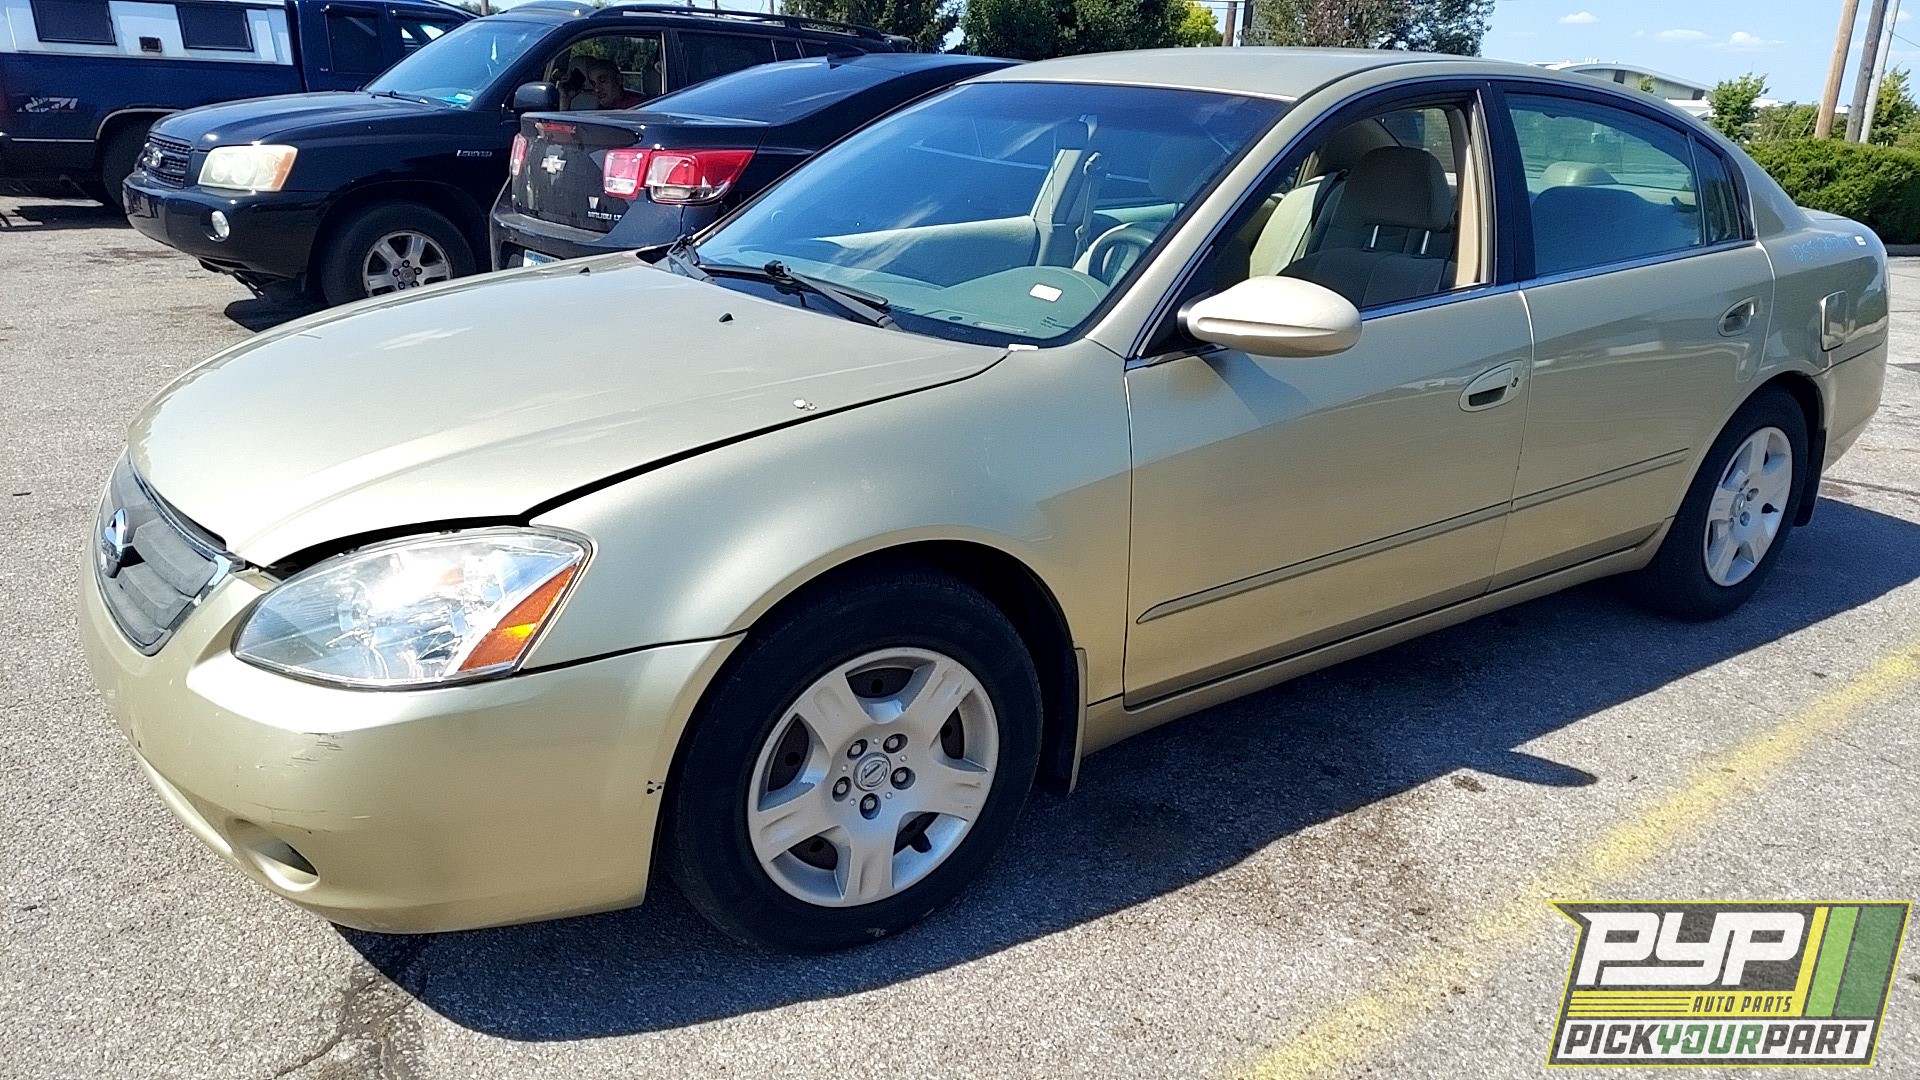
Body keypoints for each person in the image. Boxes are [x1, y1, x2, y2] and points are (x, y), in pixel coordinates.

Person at [579, 57, 644, 110]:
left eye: (603, 81)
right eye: (593, 83)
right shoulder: (592, 107)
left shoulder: (637, 107)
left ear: (619, 80)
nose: (597, 89)